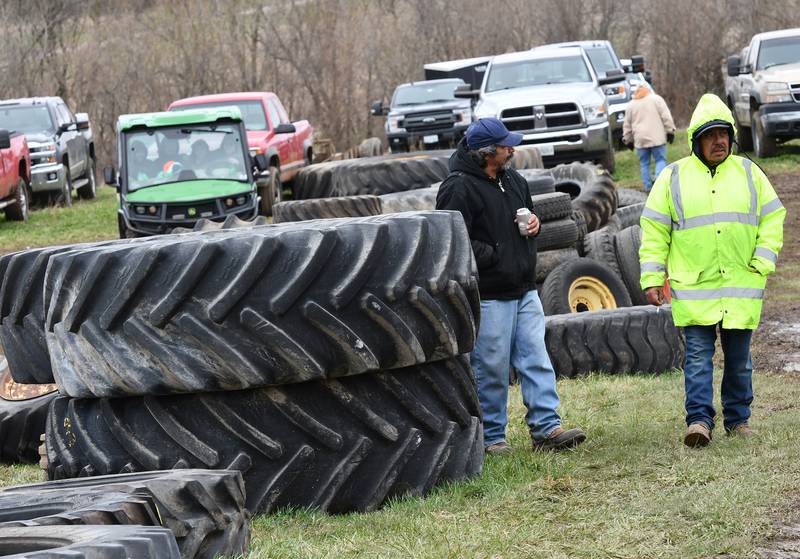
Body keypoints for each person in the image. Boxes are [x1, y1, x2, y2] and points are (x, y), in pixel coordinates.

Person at [638, 93, 785, 448]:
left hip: (740, 287)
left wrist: (762, 262)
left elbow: (773, 218)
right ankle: (699, 421)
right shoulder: (673, 177)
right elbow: (655, 230)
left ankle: (738, 419)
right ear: (696, 141)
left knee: (739, 360)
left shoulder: (750, 173)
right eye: (710, 135)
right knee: (699, 360)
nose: (718, 141)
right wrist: (652, 278)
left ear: (731, 137)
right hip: (695, 289)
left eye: (723, 134)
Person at [436, 117, 587, 455]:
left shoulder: (515, 179)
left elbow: (526, 217)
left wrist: (533, 224)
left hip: (524, 288)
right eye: (506, 146)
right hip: (488, 295)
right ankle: (491, 438)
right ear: (487, 153)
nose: (513, 149)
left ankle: (547, 429)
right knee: (490, 366)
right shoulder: (457, 188)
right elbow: (453, 241)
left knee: (536, 356)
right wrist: (496, 256)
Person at [622, 85, 676, 192]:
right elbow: (666, 116)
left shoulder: (631, 105)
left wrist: (628, 140)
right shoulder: (656, 99)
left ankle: (648, 188)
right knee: (660, 159)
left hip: (640, 140)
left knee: (644, 163)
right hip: (657, 137)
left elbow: (627, 125)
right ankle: (658, 179)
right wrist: (670, 130)